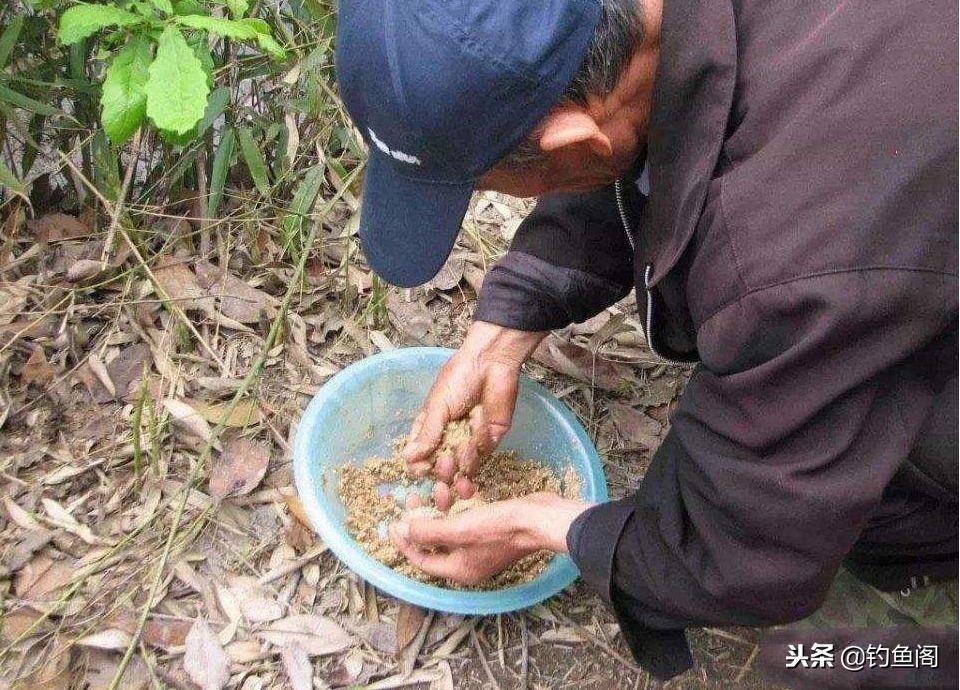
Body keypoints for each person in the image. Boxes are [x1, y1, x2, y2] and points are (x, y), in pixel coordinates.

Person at [335, 0, 958, 682]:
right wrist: (508, 322)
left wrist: (553, 528)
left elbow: (743, 555)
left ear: (577, 146)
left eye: (483, 186)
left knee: (875, 494)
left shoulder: (791, 254)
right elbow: (649, 120)